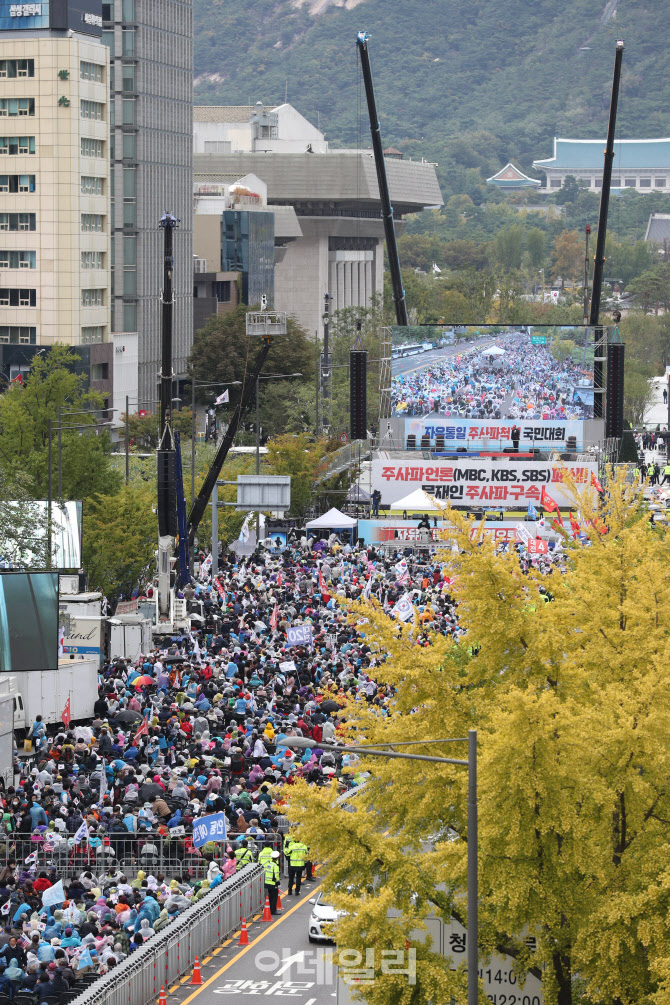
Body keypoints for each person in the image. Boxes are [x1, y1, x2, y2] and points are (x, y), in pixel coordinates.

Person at [264, 850, 281, 915]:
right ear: (277, 858)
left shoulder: (268, 864)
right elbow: (276, 876)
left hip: (267, 883)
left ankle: (271, 909)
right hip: (273, 884)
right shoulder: (275, 866)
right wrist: (278, 882)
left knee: (270, 896)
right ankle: (273, 910)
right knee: (274, 897)